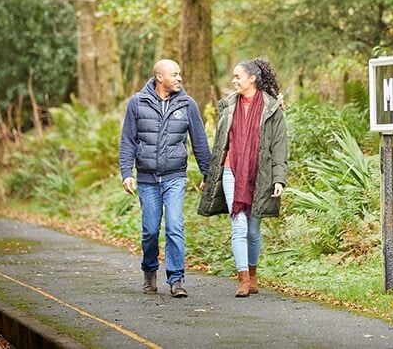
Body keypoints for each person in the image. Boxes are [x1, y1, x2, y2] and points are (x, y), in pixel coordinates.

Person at [119, 59, 211, 298]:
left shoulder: (188, 104)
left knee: (174, 226)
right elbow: (128, 140)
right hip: (148, 179)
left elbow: (199, 141)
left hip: (175, 177)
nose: (180, 78)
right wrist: (127, 173)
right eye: (175, 74)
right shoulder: (137, 103)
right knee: (150, 231)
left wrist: (208, 173)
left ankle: (176, 279)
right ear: (159, 77)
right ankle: (149, 270)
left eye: (180, 74)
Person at [198, 57, 288, 297]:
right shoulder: (228, 106)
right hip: (230, 170)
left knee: (253, 231)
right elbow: (220, 145)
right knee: (238, 226)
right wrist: (209, 174)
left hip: (260, 175)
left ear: (252, 78)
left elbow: (279, 147)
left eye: (238, 76)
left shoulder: (272, 109)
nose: (234, 80)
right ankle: (242, 280)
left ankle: (253, 274)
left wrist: (279, 178)